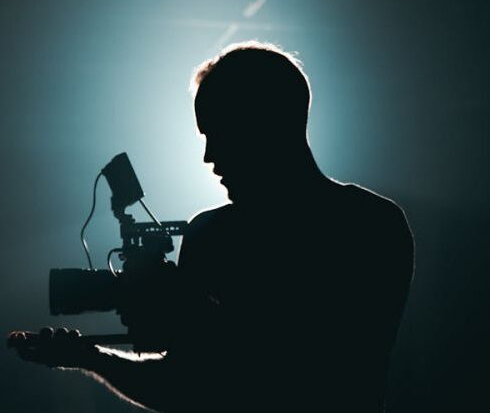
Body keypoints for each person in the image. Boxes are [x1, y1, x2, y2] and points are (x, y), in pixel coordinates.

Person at [9, 41, 414, 412]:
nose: (208, 156)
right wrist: (89, 358)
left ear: (269, 123)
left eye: (218, 134)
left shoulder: (371, 228)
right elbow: (184, 385)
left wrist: (187, 312)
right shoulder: (371, 222)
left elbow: (321, 367)